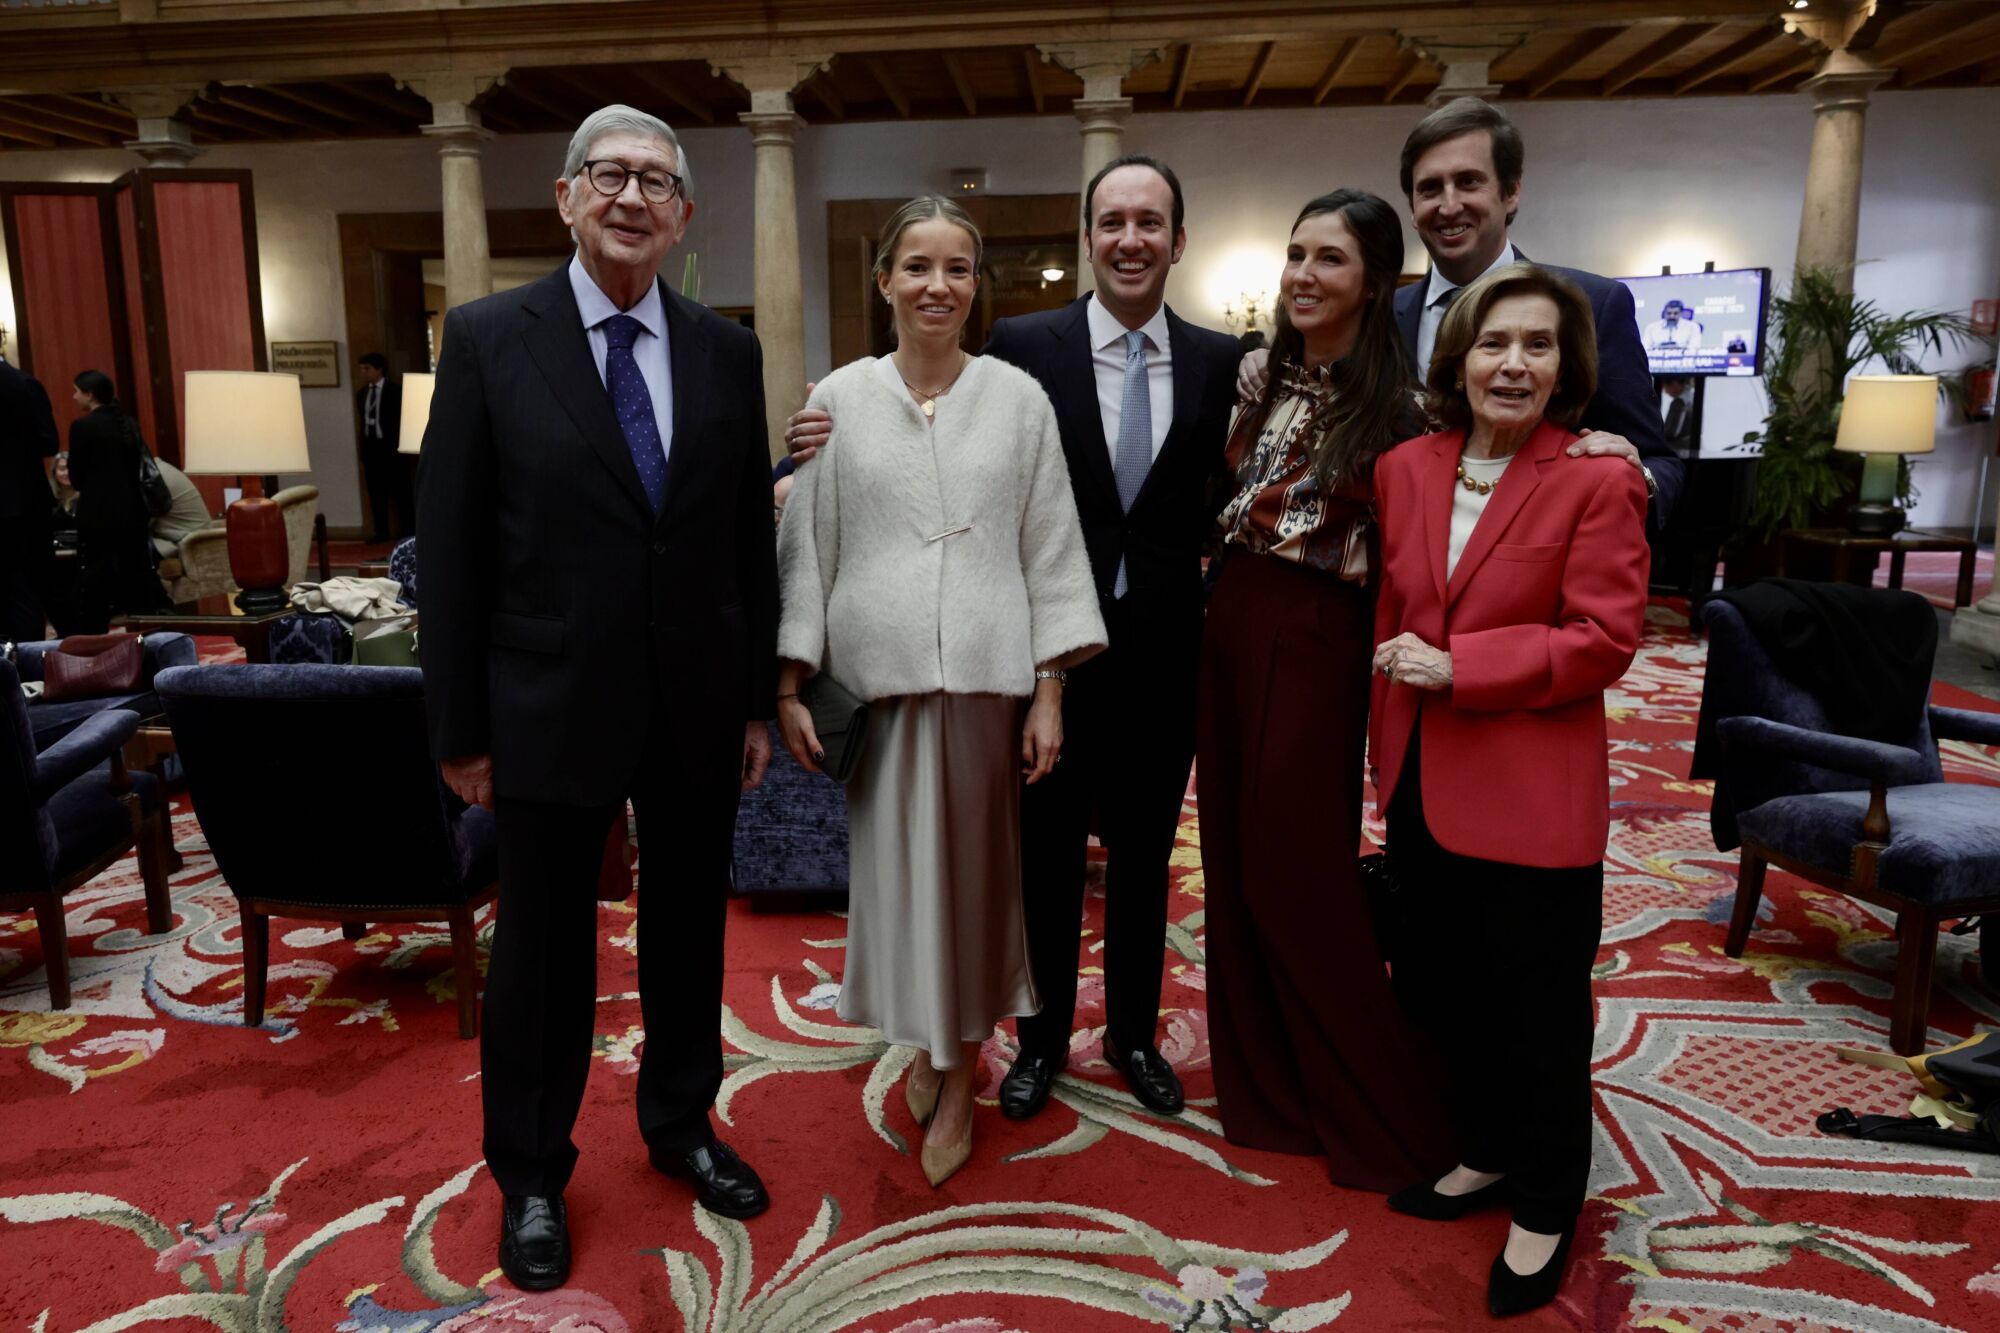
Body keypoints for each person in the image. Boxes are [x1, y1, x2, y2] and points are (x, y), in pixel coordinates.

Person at [781, 155, 1241, 1123]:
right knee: (1035, 860)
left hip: (1157, 644)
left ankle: (1133, 1035)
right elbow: (924, 441)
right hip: (1025, 650)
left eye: (1149, 222)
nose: (1129, 239)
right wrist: (798, 459)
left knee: (1145, 855)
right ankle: (1036, 1043)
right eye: (1111, 221)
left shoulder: (1219, 361)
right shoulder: (1030, 345)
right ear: (1087, 236)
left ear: (1177, 240)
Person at [418, 105, 779, 1293]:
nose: (632, 197)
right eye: (608, 175)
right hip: (545, 699)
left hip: (694, 700)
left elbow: (743, 540)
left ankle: (679, 1122)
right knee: (540, 950)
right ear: (566, 197)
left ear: (683, 214)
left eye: (656, 182)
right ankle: (529, 1170)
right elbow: (452, 546)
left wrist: (753, 702)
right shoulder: (487, 338)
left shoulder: (725, 350)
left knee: (687, 930)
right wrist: (457, 729)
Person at [775, 196, 1106, 1189]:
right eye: (916, 266)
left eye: (957, 268)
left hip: (981, 687)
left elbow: (1050, 547)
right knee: (898, 892)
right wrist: (789, 680)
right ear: (883, 280)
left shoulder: (1017, 399)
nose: (937, 285)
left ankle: (959, 1072)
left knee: (972, 892)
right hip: (875, 688)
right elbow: (809, 549)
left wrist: (1049, 690)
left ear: (975, 285)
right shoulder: (838, 398)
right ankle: (926, 1040)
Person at [1369, 262, 1649, 1317]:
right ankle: (1484, 1149)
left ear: (1566, 367)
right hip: (1420, 780)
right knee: (1443, 988)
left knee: (1537, 1012)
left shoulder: (1596, 477)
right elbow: (1392, 609)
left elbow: (1603, 638)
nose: (1514, 363)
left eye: (1538, 345)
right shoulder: (1405, 468)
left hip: (1532, 791)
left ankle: (1545, 1198)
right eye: (1494, 342)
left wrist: (1461, 668)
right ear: (1459, 358)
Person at [1197, 188, 1453, 1192]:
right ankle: (1269, 1086)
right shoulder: (1263, 376)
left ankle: (1383, 1109)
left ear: (1376, 281)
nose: (1304, 274)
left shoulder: (1404, 411)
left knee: (1295, 869)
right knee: (1234, 859)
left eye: (1330, 259)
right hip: (1231, 618)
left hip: (1315, 634)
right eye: (1296, 254)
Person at [1238, 97, 1682, 530]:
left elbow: (1661, 466)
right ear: (1413, 208)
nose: (1449, 206)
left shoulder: (1591, 305)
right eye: (1430, 188)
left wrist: (1632, 477)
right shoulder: (1381, 315)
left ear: (1511, 193)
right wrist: (1265, 360)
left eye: (1469, 182)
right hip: (1399, 561)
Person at [63, 370, 168, 631]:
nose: (73, 397)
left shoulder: (82, 427)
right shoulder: (127, 423)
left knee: (96, 578)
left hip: (97, 515)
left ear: (89, 395)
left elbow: (76, 478)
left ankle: (93, 634)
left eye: (76, 391)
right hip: (133, 512)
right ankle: (146, 630)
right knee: (137, 575)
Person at [0, 349, 60, 642]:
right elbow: (49, 442)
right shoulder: (23, 384)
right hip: (23, 501)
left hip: (18, 503)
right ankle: (28, 658)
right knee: (29, 587)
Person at [355, 351, 412, 541]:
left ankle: (407, 530)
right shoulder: (362, 394)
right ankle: (380, 531)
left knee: (400, 491)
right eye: (361, 369)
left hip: (392, 448)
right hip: (372, 448)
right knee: (375, 492)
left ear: (379, 369)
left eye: (367, 369)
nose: (363, 373)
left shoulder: (395, 391)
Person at [148, 457, 212, 560]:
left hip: (188, 545)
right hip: (193, 541)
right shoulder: (160, 469)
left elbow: (137, 525)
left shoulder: (153, 478)